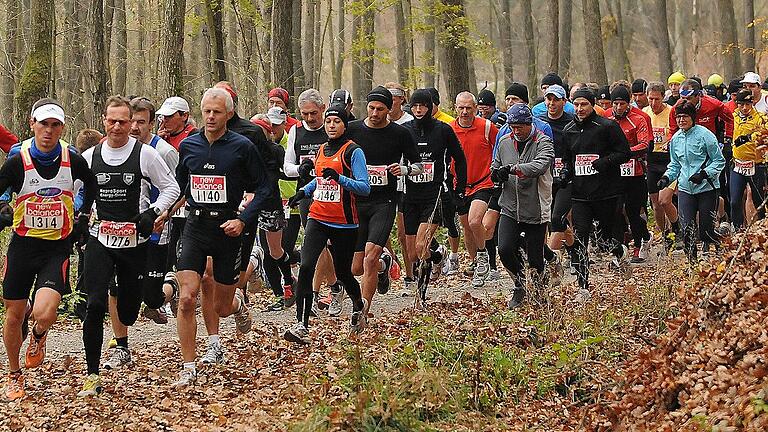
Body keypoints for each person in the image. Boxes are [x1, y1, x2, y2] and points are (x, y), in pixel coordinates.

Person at [78, 96, 180, 396]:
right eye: (113, 121)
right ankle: (92, 375)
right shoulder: (89, 157)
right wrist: (80, 218)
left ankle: (147, 298)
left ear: (130, 122)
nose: (118, 126)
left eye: (124, 121)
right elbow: (76, 191)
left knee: (128, 313)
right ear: (104, 122)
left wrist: (153, 212)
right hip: (100, 238)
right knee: (95, 305)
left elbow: (171, 187)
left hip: (134, 243)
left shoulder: (144, 154)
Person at [171, 88, 271, 387]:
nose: (211, 117)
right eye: (206, 111)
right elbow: (180, 186)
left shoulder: (242, 146)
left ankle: (238, 305)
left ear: (228, 113)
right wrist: (163, 212)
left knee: (222, 307)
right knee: (187, 297)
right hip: (195, 227)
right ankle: (188, 366)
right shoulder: (189, 146)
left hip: (227, 230)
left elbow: (264, 189)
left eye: (216, 112)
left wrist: (242, 220)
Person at [0, 99, 96, 401]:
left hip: (56, 247)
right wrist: (3, 207)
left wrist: (81, 214)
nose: (49, 131)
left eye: (55, 125)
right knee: (14, 315)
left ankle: (39, 336)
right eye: (43, 124)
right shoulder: (18, 159)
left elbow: (90, 187)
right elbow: (2, 189)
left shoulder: (73, 158)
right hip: (22, 246)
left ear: (62, 128)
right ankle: (14, 374)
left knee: (45, 312)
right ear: (32, 125)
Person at [283, 104, 370, 344]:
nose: (331, 126)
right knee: (307, 266)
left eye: (337, 122)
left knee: (343, 271)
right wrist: (302, 192)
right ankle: (302, 325)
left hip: (344, 223)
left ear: (344, 125)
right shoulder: (321, 149)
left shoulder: (354, 152)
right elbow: (320, 181)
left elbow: (364, 187)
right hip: (318, 217)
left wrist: (340, 178)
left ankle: (358, 303)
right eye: (329, 122)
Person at [347, 86, 422, 314]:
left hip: (385, 202)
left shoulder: (400, 134)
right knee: (356, 267)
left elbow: (418, 165)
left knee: (369, 259)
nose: (375, 113)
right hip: (357, 202)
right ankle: (384, 265)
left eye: (380, 109)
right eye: (371, 108)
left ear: (389, 109)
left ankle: (362, 311)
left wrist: (404, 170)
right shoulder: (353, 130)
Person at [561, 88, 631, 302]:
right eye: (577, 104)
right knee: (581, 237)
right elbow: (567, 159)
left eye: (584, 104)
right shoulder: (569, 130)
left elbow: (624, 153)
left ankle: (619, 250)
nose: (580, 109)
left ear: (592, 105)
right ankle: (583, 287)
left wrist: (604, 162)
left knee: (605, 239)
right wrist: (565, 172)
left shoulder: (607, 126)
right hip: (581, 195)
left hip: (606, 192)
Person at [402, 89, 467, 300]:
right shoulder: (404, 130)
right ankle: (438, 255)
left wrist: (460, 189)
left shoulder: (443, 130)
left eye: (423, 105)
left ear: (431, 107)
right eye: (415, 106)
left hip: (435, 194)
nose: (419, 109)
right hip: (410, 196)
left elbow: (460, 159)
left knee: (421, 247)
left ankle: (421, 297)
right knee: (412, 254)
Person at [491, 104, 554, 308]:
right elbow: (495, 165)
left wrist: (513, 169)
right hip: (509, 205)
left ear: (529, 124)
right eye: (512, 127)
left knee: (536, 258)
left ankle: (539, 291)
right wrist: (496, 174)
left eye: (520, 127)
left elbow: (540, 165)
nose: (516, 131)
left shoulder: (543, 141)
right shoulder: (504, 142)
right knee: (505, 248)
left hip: (535, 206)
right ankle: (520, 284)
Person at [283, 88, 336, 314]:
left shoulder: (333, 128)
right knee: (317, 243)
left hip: (334, 194)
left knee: (333, 246)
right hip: (307, 194)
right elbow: (286, 166)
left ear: (323, 109)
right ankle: (320, 292)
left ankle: (335, 284)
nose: (310, 118)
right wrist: (300, 169)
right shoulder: (295, 131)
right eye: (305, 114)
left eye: (314, 113)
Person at [659, 101, 725, 260]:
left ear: (692, 117)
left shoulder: (705, 135)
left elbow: (719, 161)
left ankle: (722, 248)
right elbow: (675, 164)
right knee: (687, 229)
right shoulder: (675, 139)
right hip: (685, 189)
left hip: (706, 188)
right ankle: (692, 265)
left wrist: (704, 174)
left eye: (685, 116)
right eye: (678, 117)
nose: (681, 120)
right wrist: (666, 177)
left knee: (705, 232)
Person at [450, 91, 498, 287]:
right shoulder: (449, 129)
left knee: (474, 220)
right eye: (461, 108)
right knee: (466, 228)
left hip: (483, 182)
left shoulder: (487, 127)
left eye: (468, 108)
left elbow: (501, 148)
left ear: (476, 108)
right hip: (459, 184)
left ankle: (483, 256)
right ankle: (477, 262)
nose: (464, 112)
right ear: (455, 108)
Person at [606, 86, 653, 263]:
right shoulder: (606, 117)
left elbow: (644, 145)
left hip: (635, 172)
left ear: (628, 103)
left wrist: (623, 153)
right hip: (614, 173)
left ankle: (641, 242)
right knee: (616, 210)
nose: (618, 107)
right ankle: (619, 249)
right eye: (615, 104)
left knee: (633, 211)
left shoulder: (639, 119)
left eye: (622, 104)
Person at [537, 84, 575, 284]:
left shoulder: (572, 123)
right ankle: (575, 249)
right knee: (552, 221)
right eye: (548, 99)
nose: (551, 103)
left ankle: (551, 263)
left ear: (564, 102)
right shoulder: (540, 123)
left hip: (568, 178)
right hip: (545, 178)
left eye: (556, 99)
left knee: (557, 218)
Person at [643, 82, 680, 246]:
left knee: (666, 200)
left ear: (663, 97)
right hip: (651, 161)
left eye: (656, 99)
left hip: (668, 161)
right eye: (650, 99)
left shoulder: (671, 112)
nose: (653, 103)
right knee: (656, 204)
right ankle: (666, 236)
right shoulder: (644, 113)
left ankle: (677, 230)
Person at [730, 89, 768, 229]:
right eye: (741, 104)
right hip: (738, 165)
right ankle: (738, 230)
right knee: (734, 201)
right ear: (737, 104)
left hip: (756, 165)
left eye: (748, 104)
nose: (745, 108)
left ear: (752, 103)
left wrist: (748, 137)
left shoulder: (760, 117)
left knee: (759, 201)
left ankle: (761, 229)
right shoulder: (733, 116)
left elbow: (765, 133)